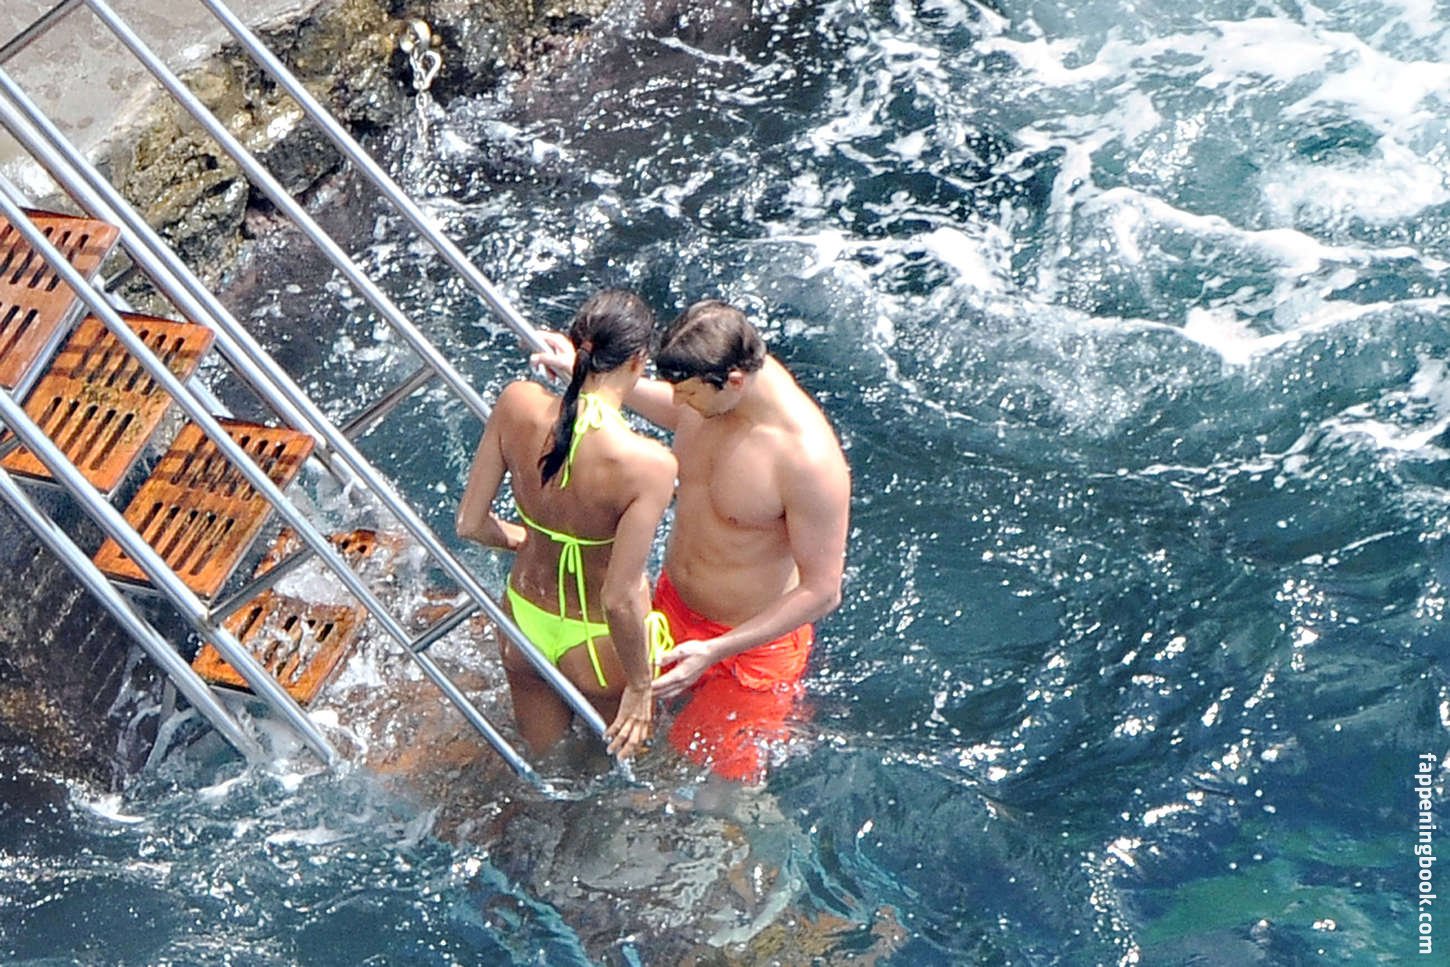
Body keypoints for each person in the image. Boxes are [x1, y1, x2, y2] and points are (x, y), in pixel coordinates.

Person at [534, 299, 850, 782]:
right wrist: (589, 374)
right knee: (617, 740)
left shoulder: (807, 462)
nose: (679, 406)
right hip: (671, 610)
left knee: (709, 794)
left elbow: (823, 591)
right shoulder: (714, 393)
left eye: (689, 395)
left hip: (748, 651)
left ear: (734, 381)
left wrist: (716, 650)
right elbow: (674, 402)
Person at [457, 290, 676, 760]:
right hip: (600, 643)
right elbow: (618, 599)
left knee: (543, 768)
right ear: (637, 362)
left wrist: (525, 538)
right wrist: (641, 686)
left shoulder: (516, 403)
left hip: (524, 623)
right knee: (630, 777)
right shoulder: (649, 464)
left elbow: (470, 524)